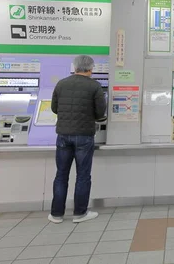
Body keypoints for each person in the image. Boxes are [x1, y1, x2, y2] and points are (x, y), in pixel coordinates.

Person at [48, 55, 107, 224]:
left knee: (61, 175)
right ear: (91, 69)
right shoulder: (95, 86)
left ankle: (56, 214)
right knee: (82, 176)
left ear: (75, 67)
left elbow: (54, 108)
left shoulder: (61, 83)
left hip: (63, 135)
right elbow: (100, 113)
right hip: (84, 136)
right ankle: (80, 213)